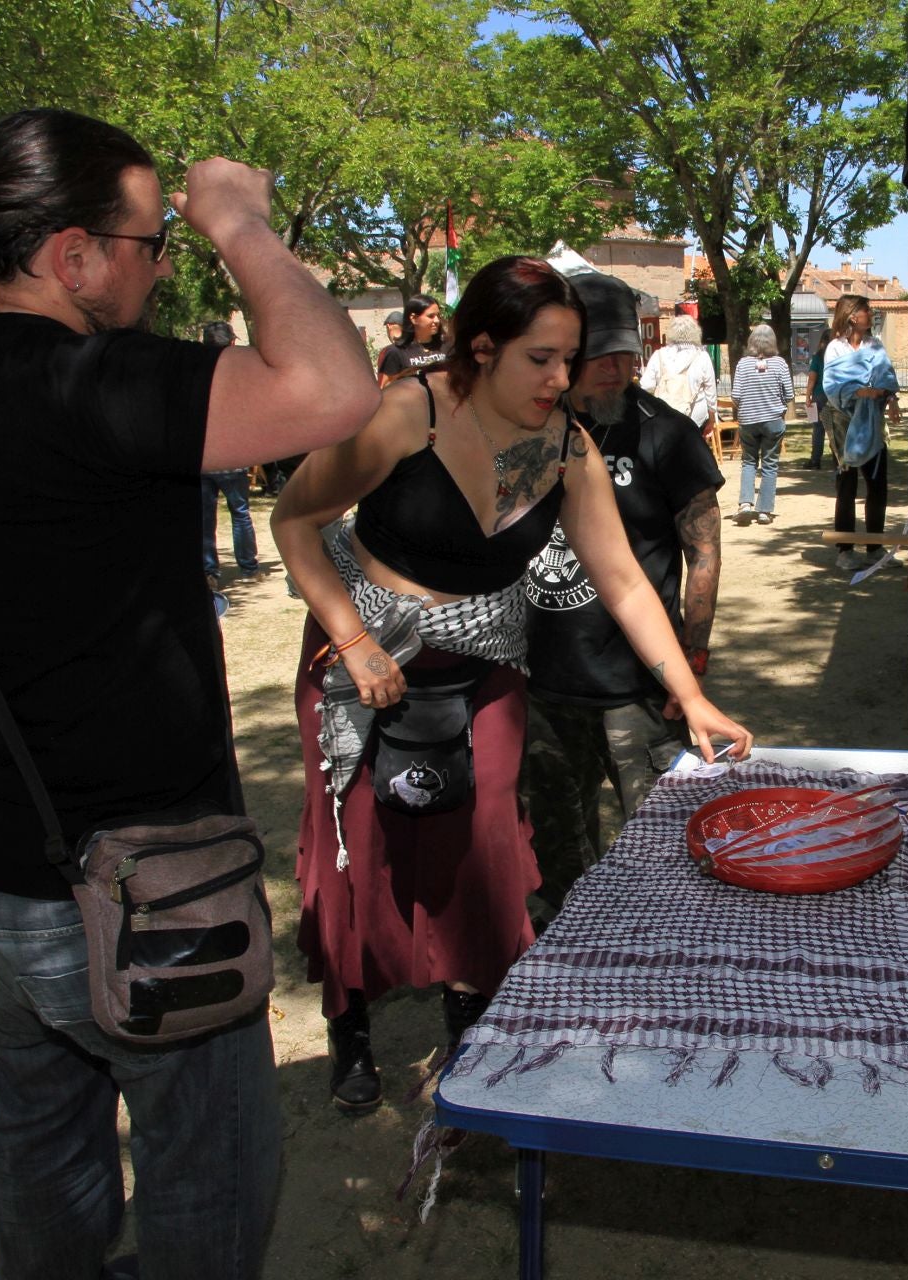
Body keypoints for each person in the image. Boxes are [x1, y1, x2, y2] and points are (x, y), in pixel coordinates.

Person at [0, 108, 379, 1279]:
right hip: (139, 881)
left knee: (41, 1146)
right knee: (208, 1172)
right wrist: (239, 223)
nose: (159, 262)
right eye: (149, 239)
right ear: (71, 254)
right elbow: (334, 389)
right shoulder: (87, 381)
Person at [271, 255, 752, 1115]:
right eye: (542, 358)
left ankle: (471, 1011)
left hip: (484, 666)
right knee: (360, 844)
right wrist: (352, 641)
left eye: (570, 359)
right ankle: (350, 1026)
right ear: (482, 348)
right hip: (364, 658)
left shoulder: (568, 448)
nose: (561, 378)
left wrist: (692, 693)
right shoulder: (402, 415)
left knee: (486, 845)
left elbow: (628, 582)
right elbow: (297, 521)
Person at [521, 270, 723, 924]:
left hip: (637, 685)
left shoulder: (666, 433)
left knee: (664, 848)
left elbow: (705, 550)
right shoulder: (527, 431)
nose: (618, 367)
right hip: (544, 686)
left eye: (628, 352)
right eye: (600, 354)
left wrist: (692, 655)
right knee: (558, 857)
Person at [820, 295, 898, 572]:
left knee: (877, 484)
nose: (872, 313)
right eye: (867, 309)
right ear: (853, 315)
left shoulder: (875, 346)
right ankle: (845, 549)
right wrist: (856, 392)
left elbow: (886, 377)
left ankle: (875, 548)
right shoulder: (835, 349)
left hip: (872, 421)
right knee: (847, 485)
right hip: (843, 423)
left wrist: (888, 397)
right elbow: (832, 384)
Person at [198, 321, 260, 588]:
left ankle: (210, 570)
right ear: (231, 343)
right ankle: (248, 566)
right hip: (233, 457)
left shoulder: (195, 373)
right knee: (240, 512)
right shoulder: (240, 374)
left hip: (203, 457)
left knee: (205, 516)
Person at [728, 324, 793, 524]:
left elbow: (735, 396)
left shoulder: (743, 364)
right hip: (773, 420)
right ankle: (764, 510)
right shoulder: (780, 364)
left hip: (748, 421)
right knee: (770, 464)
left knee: (748, 462)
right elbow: (789, 394)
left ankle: (745, 503)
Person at [640, 313, 717, 436]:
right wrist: (712, 420)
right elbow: (710, 393)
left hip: (664, 418)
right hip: (694, 419)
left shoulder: (659, 355)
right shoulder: (702, 357)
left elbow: (646, 386)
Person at [378, 293, 446, 387]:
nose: (437, 320)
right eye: (431, 316)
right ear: (414, 318)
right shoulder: (396, 352)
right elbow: (385, 387)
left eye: (438, 315)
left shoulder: (448, 346)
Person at [805, 328, 829, 468]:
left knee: (818, 429)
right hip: (834, 395)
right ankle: (838, 459)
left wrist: (808, 396)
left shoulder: (818, 357)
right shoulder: (839, 357)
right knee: (835, 429)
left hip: (819, 396)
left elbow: (812, 379)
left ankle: (815, 460)